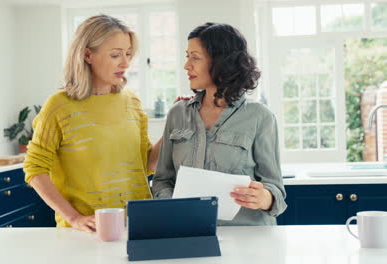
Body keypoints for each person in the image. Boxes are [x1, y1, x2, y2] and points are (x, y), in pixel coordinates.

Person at [23, 15, 162, 232]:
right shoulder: (59, 106)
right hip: (86, 232)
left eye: (127, 54)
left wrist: (176, 122)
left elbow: (145, 165)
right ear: (87, 54)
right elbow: (34, 169)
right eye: (115, 55)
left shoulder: (132, 102)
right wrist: (74, 217)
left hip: (136, 225)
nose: (125, 63)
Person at [152, 22, 287, 225]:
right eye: (187, 56)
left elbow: (275, 190)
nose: (186, 65)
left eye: (195, 58)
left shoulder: (260, 117)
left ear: (222, 62)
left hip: (246, 243)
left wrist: (264, 198)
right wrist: (174, 206)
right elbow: (162, 180)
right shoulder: (177, 114)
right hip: (190, 234)